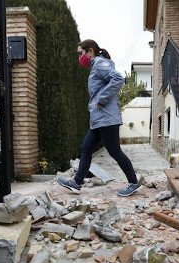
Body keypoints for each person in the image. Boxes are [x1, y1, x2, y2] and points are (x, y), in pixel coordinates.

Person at [56, 39, 140, 197]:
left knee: (114, 151)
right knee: (86, 148)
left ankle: (133, 182)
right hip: (99, 120)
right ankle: (77, 182)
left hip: (107, 119)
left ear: (90, 52)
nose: (79, 57)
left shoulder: (100, 64)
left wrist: (101, 99)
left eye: (81, 53)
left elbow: (118, 79)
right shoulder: (96, 66)